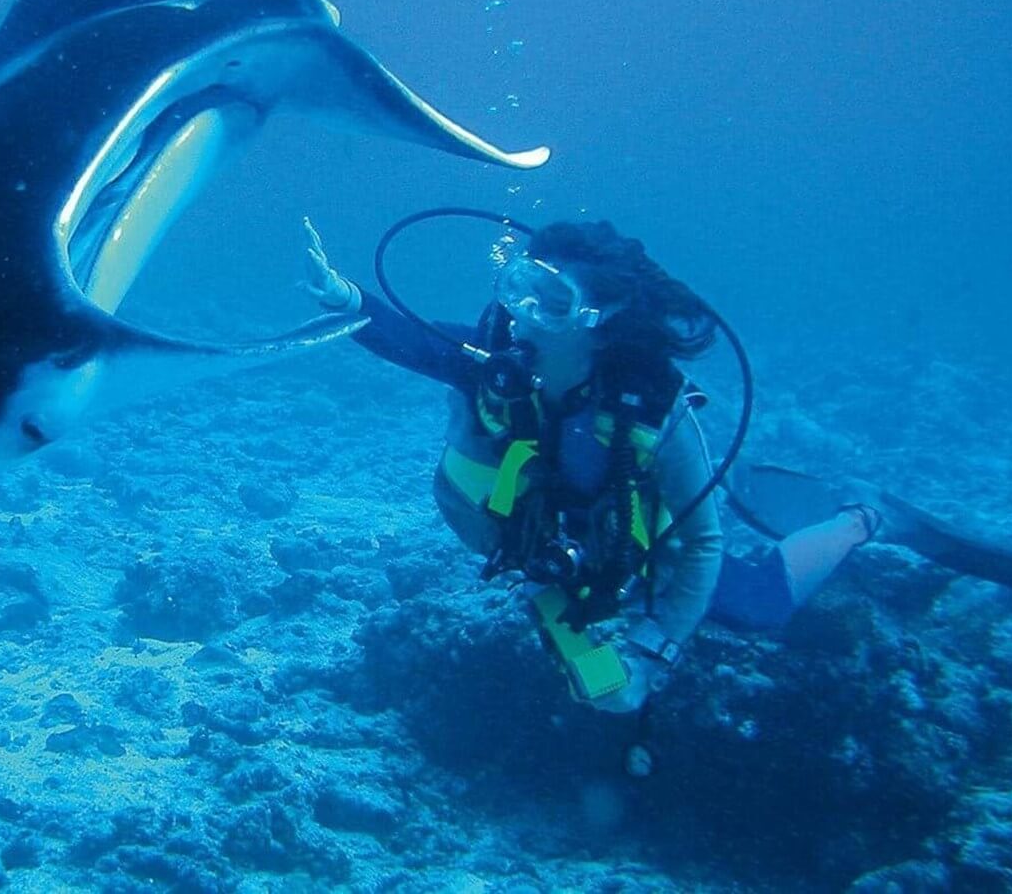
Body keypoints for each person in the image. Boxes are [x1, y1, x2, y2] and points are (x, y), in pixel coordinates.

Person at [300, 217, 885, 715]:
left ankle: (863, 515)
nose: (524, 314)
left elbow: (702, 543)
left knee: (760, 604)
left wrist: (651, 656)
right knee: (592, 662)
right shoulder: (497, 361)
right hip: (553, 542)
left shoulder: (653, 407)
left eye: (553, 302)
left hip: (634, 542)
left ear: (599, 316)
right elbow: (414, 342)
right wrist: (344, 297)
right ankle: (733, 483)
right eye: (520, 286)